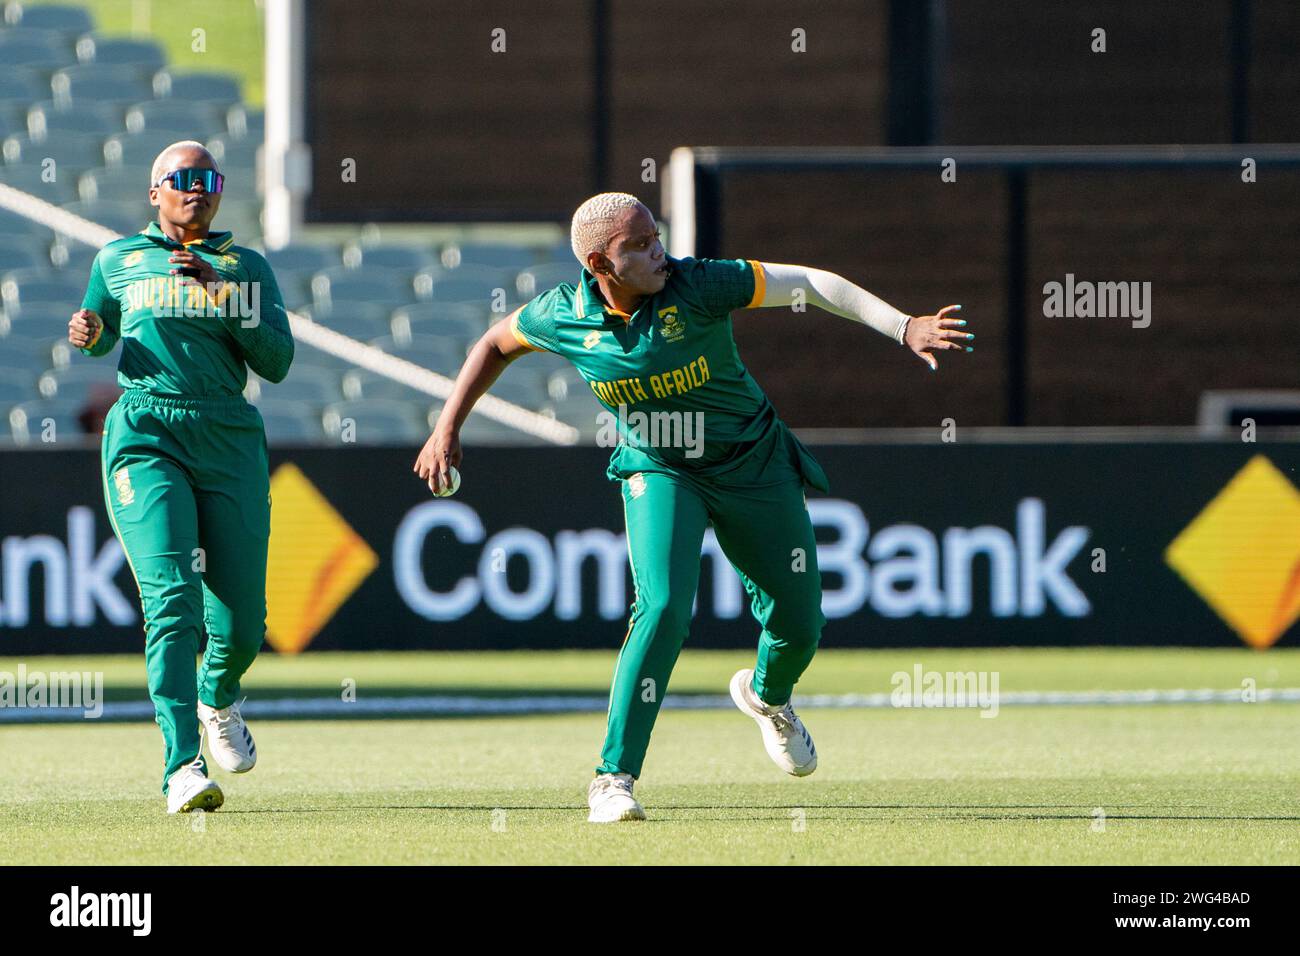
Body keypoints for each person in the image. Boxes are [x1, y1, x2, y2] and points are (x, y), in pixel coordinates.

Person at [413, 192, 971, 822]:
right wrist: (447, 427)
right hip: (660, 468)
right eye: (641, 245)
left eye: (657, 236)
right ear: (600, 263)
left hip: (751, 462)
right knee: (663, 606)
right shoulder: (561, 314)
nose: (661, 252)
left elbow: (811, 283)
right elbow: (493, 344)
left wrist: (904, 326)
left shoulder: (699, 283)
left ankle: (768, 697)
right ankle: (612, 779)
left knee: (800, 620)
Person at [68, 140, 294, 814]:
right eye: (184, 179)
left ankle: (217, 695)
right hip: (146, 433)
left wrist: (222, 293)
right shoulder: (118, 259)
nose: (199, 189)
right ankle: (181, 768)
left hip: (227, 434)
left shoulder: (244, 266)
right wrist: (90, 334)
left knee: (245, 624)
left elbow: (277, 360)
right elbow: (104, 331)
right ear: (154, 192)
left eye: (209, 179)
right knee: (172, 601)